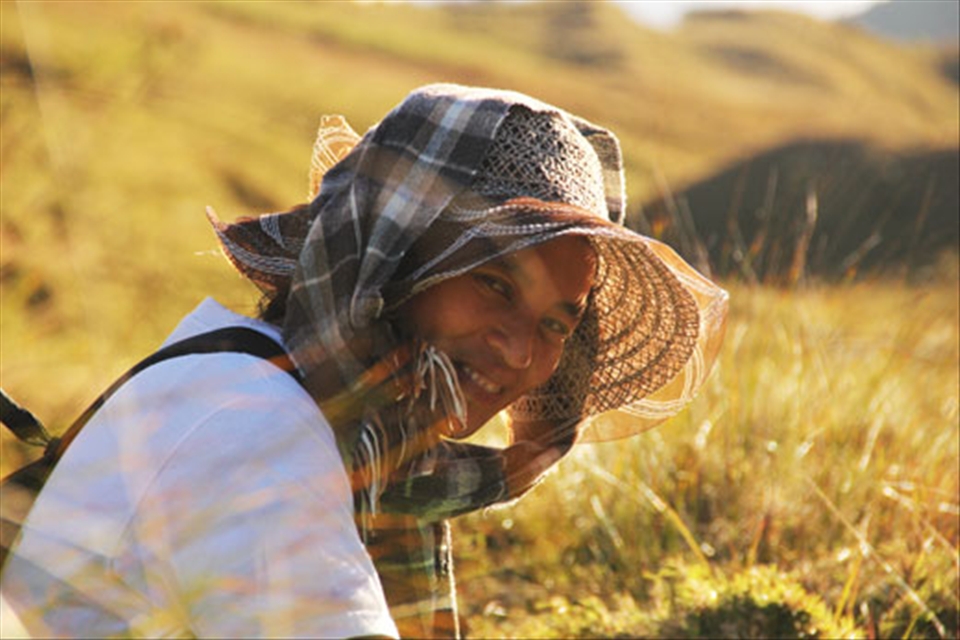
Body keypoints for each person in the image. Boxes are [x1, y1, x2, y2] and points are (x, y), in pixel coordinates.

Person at [0, 84, 727, 638]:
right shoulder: (258, 430)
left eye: (555, 325)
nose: (518, 350)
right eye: (493, 285)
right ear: (393, 257)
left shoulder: (313, 417)